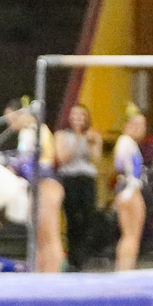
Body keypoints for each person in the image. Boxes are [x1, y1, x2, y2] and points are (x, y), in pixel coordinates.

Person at [6, 100, 66, 274]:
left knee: (50, 237)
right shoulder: (34, 130)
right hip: (39, 185)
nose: (10, 124)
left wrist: (7, 164)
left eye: (10, 118)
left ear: (21, 114)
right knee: (40, 239)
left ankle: (53, 280)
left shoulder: (31, 130)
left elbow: (25, 160)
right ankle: (40, 277)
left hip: (45, 184)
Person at [54, 102, 103, 269]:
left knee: (89, 216)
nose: (78, 119)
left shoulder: (93, 135)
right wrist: (76, 139)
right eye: (74, 115)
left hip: (87, 178)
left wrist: (92, 143)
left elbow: (96, 160)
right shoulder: (62, 135)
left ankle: (84, 254)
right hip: (70, 177)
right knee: (72, 217)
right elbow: (62, 158)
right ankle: (73, 258)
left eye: (81, 116)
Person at [111, 105, 148, 272]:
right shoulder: (128, 143)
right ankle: (126, 270)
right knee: (132, 235)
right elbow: (128, 170)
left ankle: (124, 269)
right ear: (130, 125)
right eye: (139, 126)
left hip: (124, 190)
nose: (142, 130)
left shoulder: (123, 142)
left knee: (128, 235)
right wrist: (130, 190)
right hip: (131, 191)